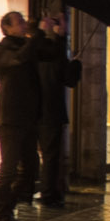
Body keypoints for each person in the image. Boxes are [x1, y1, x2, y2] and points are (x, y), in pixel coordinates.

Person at [0, 11, 54, 221]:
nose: (24, 24)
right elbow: (19, 59)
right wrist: (37, 36)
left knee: (30, 169)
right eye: (19, 22)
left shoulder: (29, 45)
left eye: (24, 20)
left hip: (29, 116)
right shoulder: (1, 49)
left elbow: (50, 53)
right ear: (7, 28)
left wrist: (56, 34)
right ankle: (0, 217)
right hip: (10, 116)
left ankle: (9, 211)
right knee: (8, 168)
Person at [33, 12, 83, 208]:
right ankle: (50, 194)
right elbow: (69, 80)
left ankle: (44, 192)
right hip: (51, 110)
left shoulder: (37, 53)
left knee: (45, 154)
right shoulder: (55, 55)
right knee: (51, 155)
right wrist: (76, 62)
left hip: (37, 109)